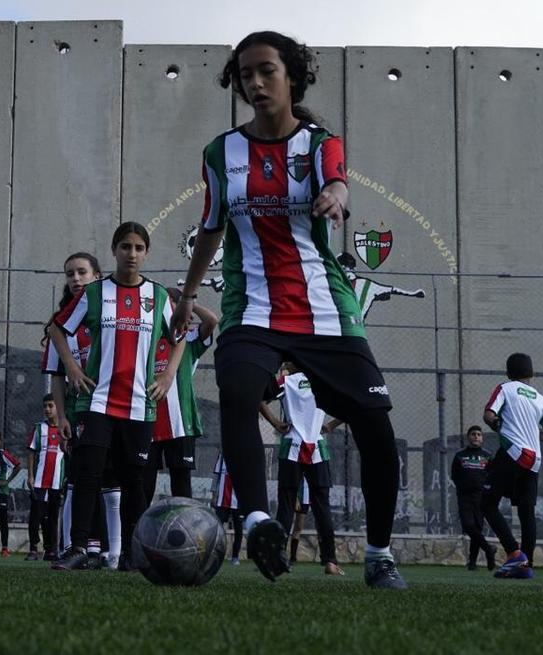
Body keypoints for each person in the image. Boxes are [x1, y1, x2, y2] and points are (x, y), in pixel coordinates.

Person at [170, 31, 406, 589]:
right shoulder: (219, 154)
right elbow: (210, 230)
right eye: (245, 74)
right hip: (249, 307)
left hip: (325, 309)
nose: (255, 82)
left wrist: (338, 196)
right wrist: (185, 295)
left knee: (375, 428)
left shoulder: (321, 143)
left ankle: (378, 553)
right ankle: (256, 520)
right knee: (237, 392)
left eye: (266, 71)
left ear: (292, 76)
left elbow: (339, 184)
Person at [50, 222, 182, 571]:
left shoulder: (158, 296)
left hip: (140, 404)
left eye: (139, 248)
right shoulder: (94, 293)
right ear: (114, 250)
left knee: (134, 482)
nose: (132, 254)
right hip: (98, 402)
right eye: (125, 247)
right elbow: (57, 328)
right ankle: (78, 547)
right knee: (87, 474)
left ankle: (131, 554)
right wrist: (72, 368)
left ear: (146, 253)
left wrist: (168, 375)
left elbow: (181, 335)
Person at [43, 251, 117, 566]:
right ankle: (78, 547)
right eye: (70, 273)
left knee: (113, 482)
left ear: (97, 276)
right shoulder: (60, 328)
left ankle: (116, 552)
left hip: (119, 410)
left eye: (82, 272)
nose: (76, 279)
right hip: (80, 414)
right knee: (80, 479)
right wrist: (61, 417)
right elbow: (57, 378)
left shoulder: (114, 316)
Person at [481, 353, 543, 579]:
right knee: (527, 513)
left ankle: (513, 552)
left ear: (508, 373)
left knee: (487, 504)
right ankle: (527, 565)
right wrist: (534, 432)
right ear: (532, 374)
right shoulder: (541, 399)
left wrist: (498, 426)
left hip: (512, 453)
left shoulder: (505, 389)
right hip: (534, 460)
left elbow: (488, 415)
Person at [259, 365, 342, 576]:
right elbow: (349, 405)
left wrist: (275, 422)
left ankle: (276, 558)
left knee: (286, 506)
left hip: (292, 447)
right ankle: (330, 561)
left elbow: (258, 398)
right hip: (317, 449)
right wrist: (331, 425)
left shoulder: (285, 382)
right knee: (322, 506)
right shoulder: (323, 377)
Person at [144, 289, 216, 502]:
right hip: (148, 419)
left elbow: (212, 321)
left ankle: (184, 532)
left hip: (180, 422)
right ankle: (136, 531)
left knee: (181, 484)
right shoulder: (147, 336)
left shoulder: (190, 338)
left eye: (173, 304)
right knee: (144, 483)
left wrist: (188, 303)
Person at [26, 394, 66, 560]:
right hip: (40, 481)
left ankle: (51, 549)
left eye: (51, 406)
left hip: (57, 482)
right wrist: (30, 475)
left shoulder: (65, 429)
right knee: (36, 515)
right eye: (45, 406)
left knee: (53, 517)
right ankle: (33, 548)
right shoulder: (39, 428)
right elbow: (31, 451)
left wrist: (67, 476)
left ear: (58, 408)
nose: (47, 409)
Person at [450, 425, 496, 570]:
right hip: (464, 497)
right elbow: (455, 475)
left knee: (477, 528)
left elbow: (492, 475)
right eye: (473, 434)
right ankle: (489, 549)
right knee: (468, 525)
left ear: (482, 438)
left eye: (479, 434)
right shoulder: (460, 455)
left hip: (481, 497)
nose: (476, 437)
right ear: (468, 437)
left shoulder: (487, 456)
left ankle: (472, 562)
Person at [212, 453, 243, 566]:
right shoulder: (222, 455)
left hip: (239, 501)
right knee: (217, 528)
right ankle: (215, 555)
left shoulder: (245, 455)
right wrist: (214, 495)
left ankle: (235, 557)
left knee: (238, 530)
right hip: (222, 500)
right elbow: (216, 475)